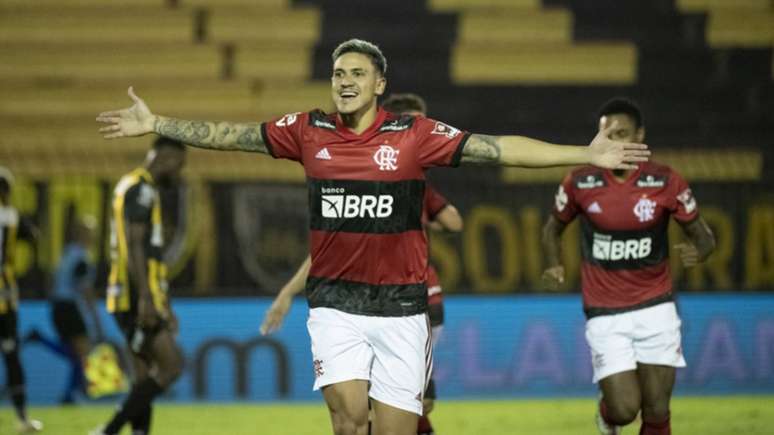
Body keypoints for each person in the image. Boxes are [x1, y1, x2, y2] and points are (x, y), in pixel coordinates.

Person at [97, 38, 649, 435]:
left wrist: (586, 153)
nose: (344, 81)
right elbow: (230, 136)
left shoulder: (414, 135)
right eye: (338, 73)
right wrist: (158, 123)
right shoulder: (307, 130)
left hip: (402, 307)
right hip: (336, 303)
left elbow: (498, 146)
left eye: (357, 73)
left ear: (379, 85)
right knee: (347, 420)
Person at [259, 92, 462, 435]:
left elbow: (455, 221)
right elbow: (327, 253)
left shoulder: (414, 183)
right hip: (381, 302)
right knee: (380, 406)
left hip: (410, 302)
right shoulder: (400, 182)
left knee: (401, 403)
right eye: (414, 121)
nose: (421, 130)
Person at [541, 98, 716, 435]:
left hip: (656, 305)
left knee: (657, 410)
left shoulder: (666, 181)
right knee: (624, 410)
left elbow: (704, 236)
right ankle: (608, 414)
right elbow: (552, 228)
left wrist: (702, 251)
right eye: (606, 134)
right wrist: (554, 264)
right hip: (604, 311)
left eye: (622, 133)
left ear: (640, 136)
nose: (614, 141)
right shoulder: (579, 182)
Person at [90, 137, 186, 435]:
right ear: (165, 157)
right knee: (171, 367)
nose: (178, 172)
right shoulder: (142, 190)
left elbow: (142, 249)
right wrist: (147, 298)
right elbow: (135, 246)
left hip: (128, 293)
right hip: (134, 296)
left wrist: (162, 299)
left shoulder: (127, 185)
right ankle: (108, 430)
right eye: (178, 165)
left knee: (144, 376)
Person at [26, 216, 102, 404]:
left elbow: (52, 280)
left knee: (76, 353)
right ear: (84, 235)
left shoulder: (66, 253)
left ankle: (70, 395)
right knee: (82, 352)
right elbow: (86, 290)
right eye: (91, 233)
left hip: (58, 305)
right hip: (68, 306)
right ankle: (71, 394)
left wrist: (53, 301)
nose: (93, 237)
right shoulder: (82, 258)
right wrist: (96, 318)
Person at [0, 166, 43, 433]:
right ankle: (22, 418)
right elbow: (35, 236)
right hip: (5, 297)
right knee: (11, 355)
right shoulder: (13, 216)